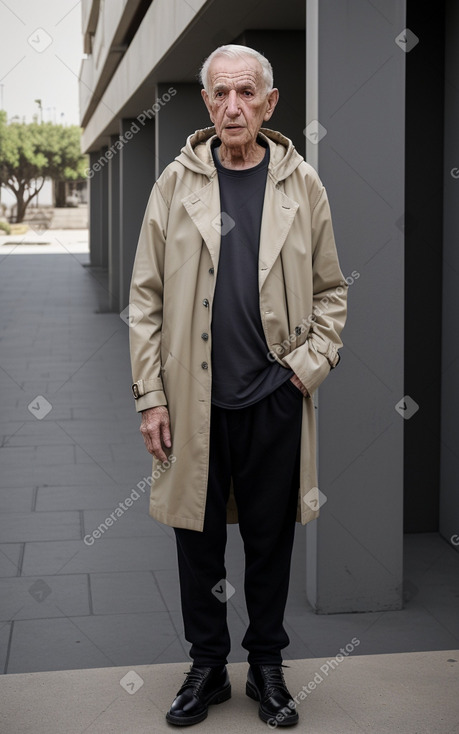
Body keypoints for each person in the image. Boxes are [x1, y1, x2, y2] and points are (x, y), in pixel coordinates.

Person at [129, 44, 347, 728]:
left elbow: (331, 291)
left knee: (268, 541)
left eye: (246, 94)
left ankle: (266, 670)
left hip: (272, 397)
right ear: (206, 102)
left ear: (269, 103)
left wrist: (303, 371)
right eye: (220, 94)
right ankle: (205, 669)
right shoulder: (175, 183)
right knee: (194, 540)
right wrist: (150, 396)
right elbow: (145, 298)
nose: (232, 106)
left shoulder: (300, 183)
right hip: (189, 403)